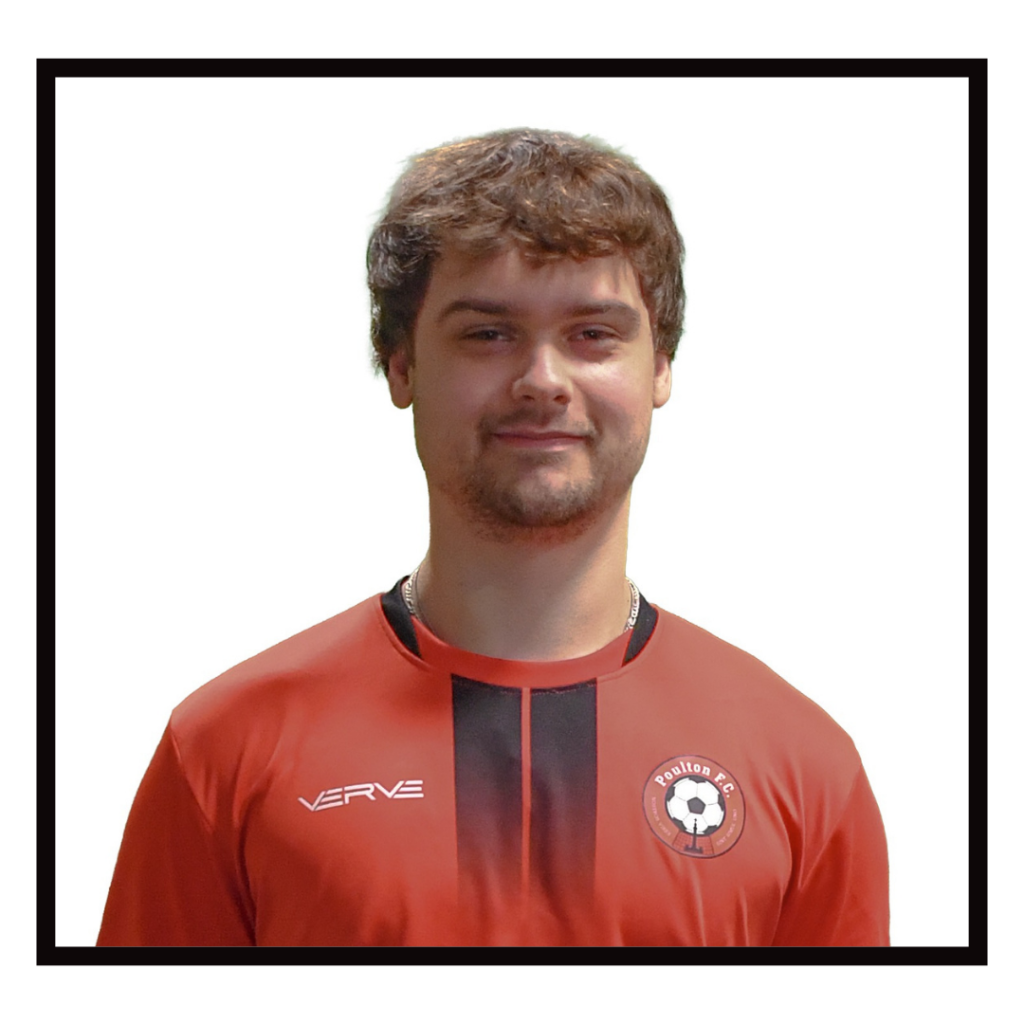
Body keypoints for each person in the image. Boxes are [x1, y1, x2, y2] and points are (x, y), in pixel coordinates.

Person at [97, 128, 889, 947]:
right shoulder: (224, 751)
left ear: (660, 367)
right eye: (488, 333)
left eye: (593, 334)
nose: (543, 381)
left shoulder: (804, 767)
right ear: (400, 364)